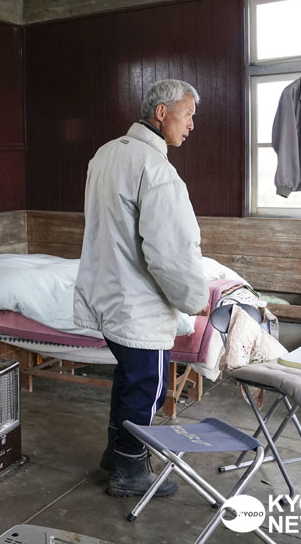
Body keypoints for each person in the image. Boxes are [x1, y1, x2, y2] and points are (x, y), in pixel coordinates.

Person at [73, 79, 210, 498]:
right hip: (139, 305)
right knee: (146, 386)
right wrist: (195, 299)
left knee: (130, 379)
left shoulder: (106, 154)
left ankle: (115, 455)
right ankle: (130, 472)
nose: (190, 125)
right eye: (187, 115)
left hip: (109, 294)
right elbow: (171, 253)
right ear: (162, 113)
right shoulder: (157, 170)